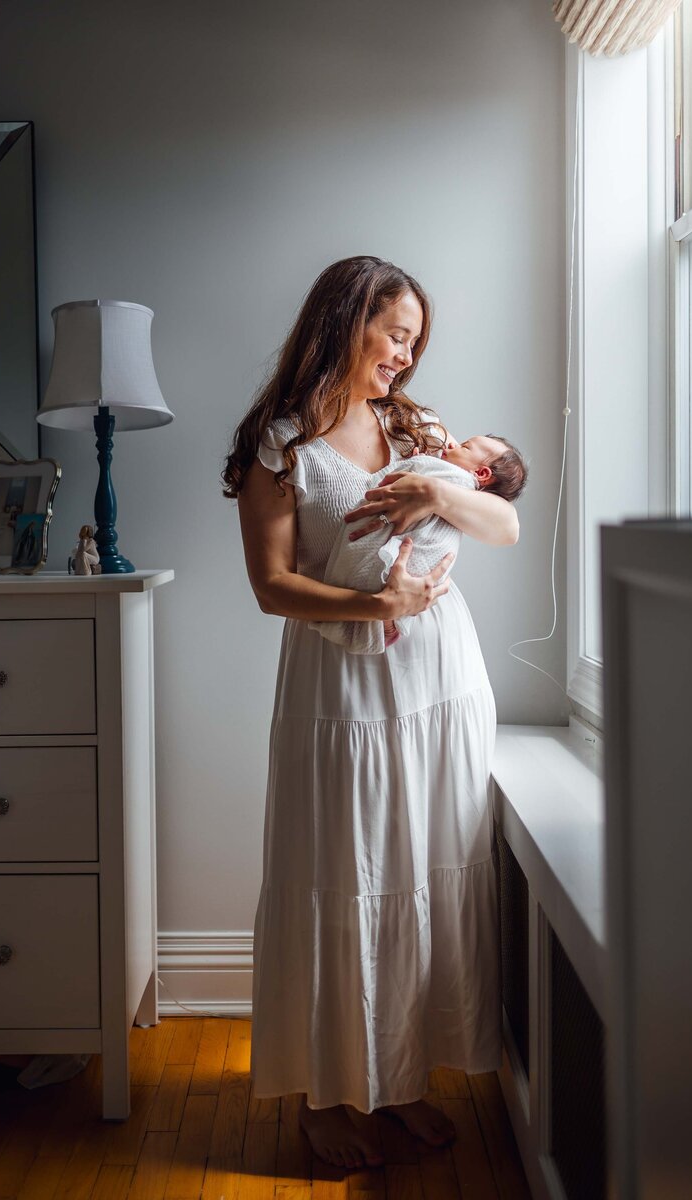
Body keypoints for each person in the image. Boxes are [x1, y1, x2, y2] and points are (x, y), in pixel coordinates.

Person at [223, 256, 519, 1171]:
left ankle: (399, 1086)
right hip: (344, 687)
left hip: (440, 682)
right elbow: (273, 588)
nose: (406, 354)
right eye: (395, 334)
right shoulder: (279, 444)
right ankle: (325, 1097)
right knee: (342, 875)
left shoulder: (415, 425)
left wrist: (440, 491)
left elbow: (503, 526)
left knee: (422, 874)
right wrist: (375, 610)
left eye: (416, 341)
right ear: (345, 321)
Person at [309, 434, 527, 653]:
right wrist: (381, 606)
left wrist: (431, 490)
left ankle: (383, 623)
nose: (452, 444)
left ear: (481, 473)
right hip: (356, 615)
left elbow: (510, 528)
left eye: (464, 446)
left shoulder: (425, 431)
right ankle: (385, 622)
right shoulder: (286, 441)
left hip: (431, 622)